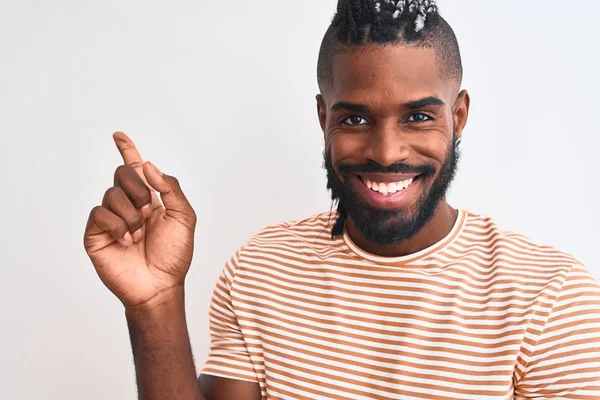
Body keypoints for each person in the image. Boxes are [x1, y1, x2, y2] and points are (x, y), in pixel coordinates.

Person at [83, 0, 600, 399]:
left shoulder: (549, 298)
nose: (386, 152)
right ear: (323, 119)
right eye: (354, 119)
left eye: (419, 116)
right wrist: (155, 304)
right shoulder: (260, 269)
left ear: (458, 117)